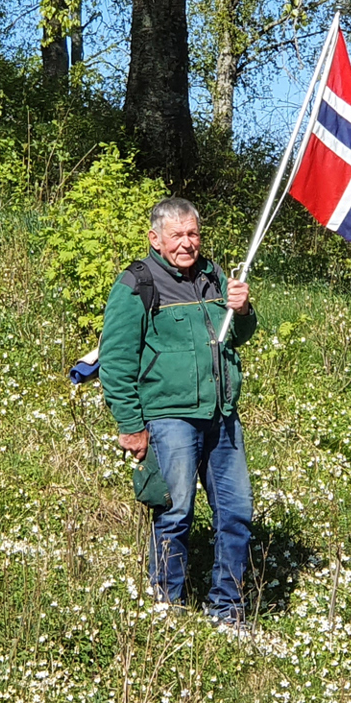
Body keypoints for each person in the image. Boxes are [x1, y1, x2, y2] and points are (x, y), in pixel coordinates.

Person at [97, 196, 258, 624]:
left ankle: (228, 610)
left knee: (237, 513)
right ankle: (165, 609)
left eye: (193, 234)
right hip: (170, 417)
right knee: (175, 512)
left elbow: (238, 335)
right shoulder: (137, 283)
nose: (187, 244)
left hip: (222, 415)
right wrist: (131, 426)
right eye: (177, 235)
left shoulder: (214, 276)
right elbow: (115, 361)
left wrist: (242, 311)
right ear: (155, 238)